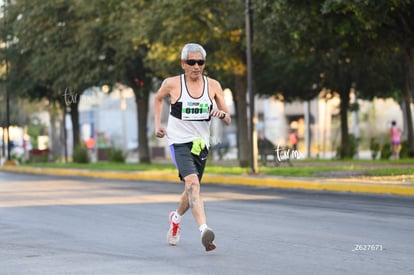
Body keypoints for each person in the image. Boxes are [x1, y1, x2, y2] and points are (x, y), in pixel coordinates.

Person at [154, 43, 231, 252]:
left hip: (200, 144)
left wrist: (221, 114)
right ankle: (204, 230)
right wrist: (157, 125)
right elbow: (158, 98)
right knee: (193, 185)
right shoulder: (172, 84)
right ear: (183, 64)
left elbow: (228, 118)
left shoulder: (213, 85)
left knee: (190, 190)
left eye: (200, 62)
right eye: (191, 62)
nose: (196, 66)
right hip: (178, 141)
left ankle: (175, 219)